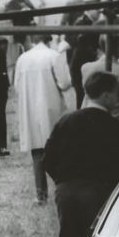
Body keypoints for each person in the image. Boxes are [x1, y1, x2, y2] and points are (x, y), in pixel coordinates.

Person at [43, 71, 119, 237]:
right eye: (117, 93)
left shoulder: (66, 121)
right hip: (98, 193)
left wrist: (63, 181)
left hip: (66, 192)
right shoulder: (116, 127)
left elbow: (47, 159)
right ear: (106, 95)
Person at [15, 33, 72, 205]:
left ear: (32, 40)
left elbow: (17, 86)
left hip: (31, 108)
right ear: (49, 40)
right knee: (57, 149)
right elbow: (65, 83)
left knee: (37, 152)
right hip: (50, 106)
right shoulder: (53, 56)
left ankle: (40, 193)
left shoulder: (23, 59)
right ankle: (62, 187)